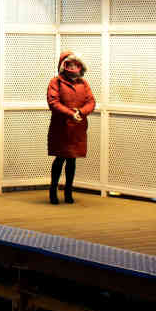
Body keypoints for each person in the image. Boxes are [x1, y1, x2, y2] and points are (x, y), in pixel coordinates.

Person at [47, 51, 95, 204]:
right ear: (64, 66)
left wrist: (80, 112)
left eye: (76, 64)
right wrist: (70, 113)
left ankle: (68, 192)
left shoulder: (84, 83)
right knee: (60, 158)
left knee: (72, 159)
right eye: (70, 64)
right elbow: (53, 102)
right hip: (61, 127)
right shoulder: (55, 82)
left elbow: (91, 102)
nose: (73, 67)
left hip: (77, 127)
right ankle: (53, 191)